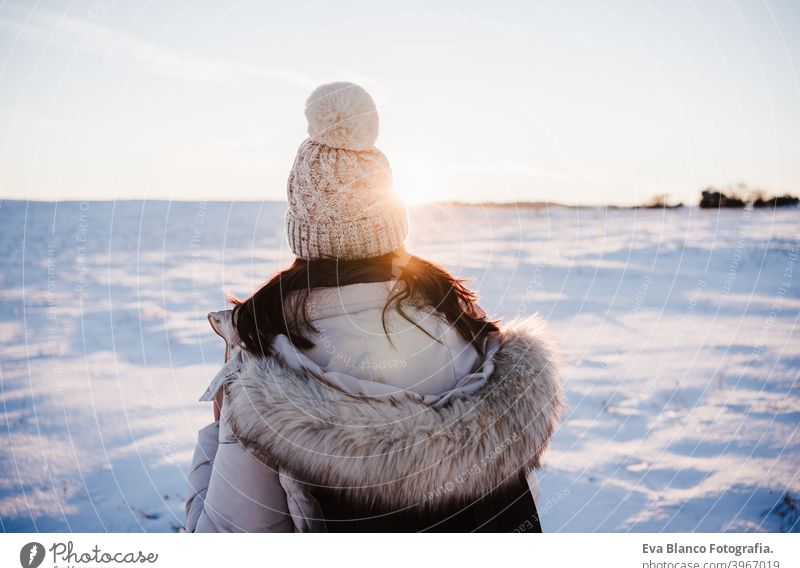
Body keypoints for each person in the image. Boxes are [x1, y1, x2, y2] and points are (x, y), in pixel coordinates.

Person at [184, 82, 564, 533]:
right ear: (391, 222)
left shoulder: (271, 376)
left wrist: (220, 428)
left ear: (303, 232)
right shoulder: (470, 337)